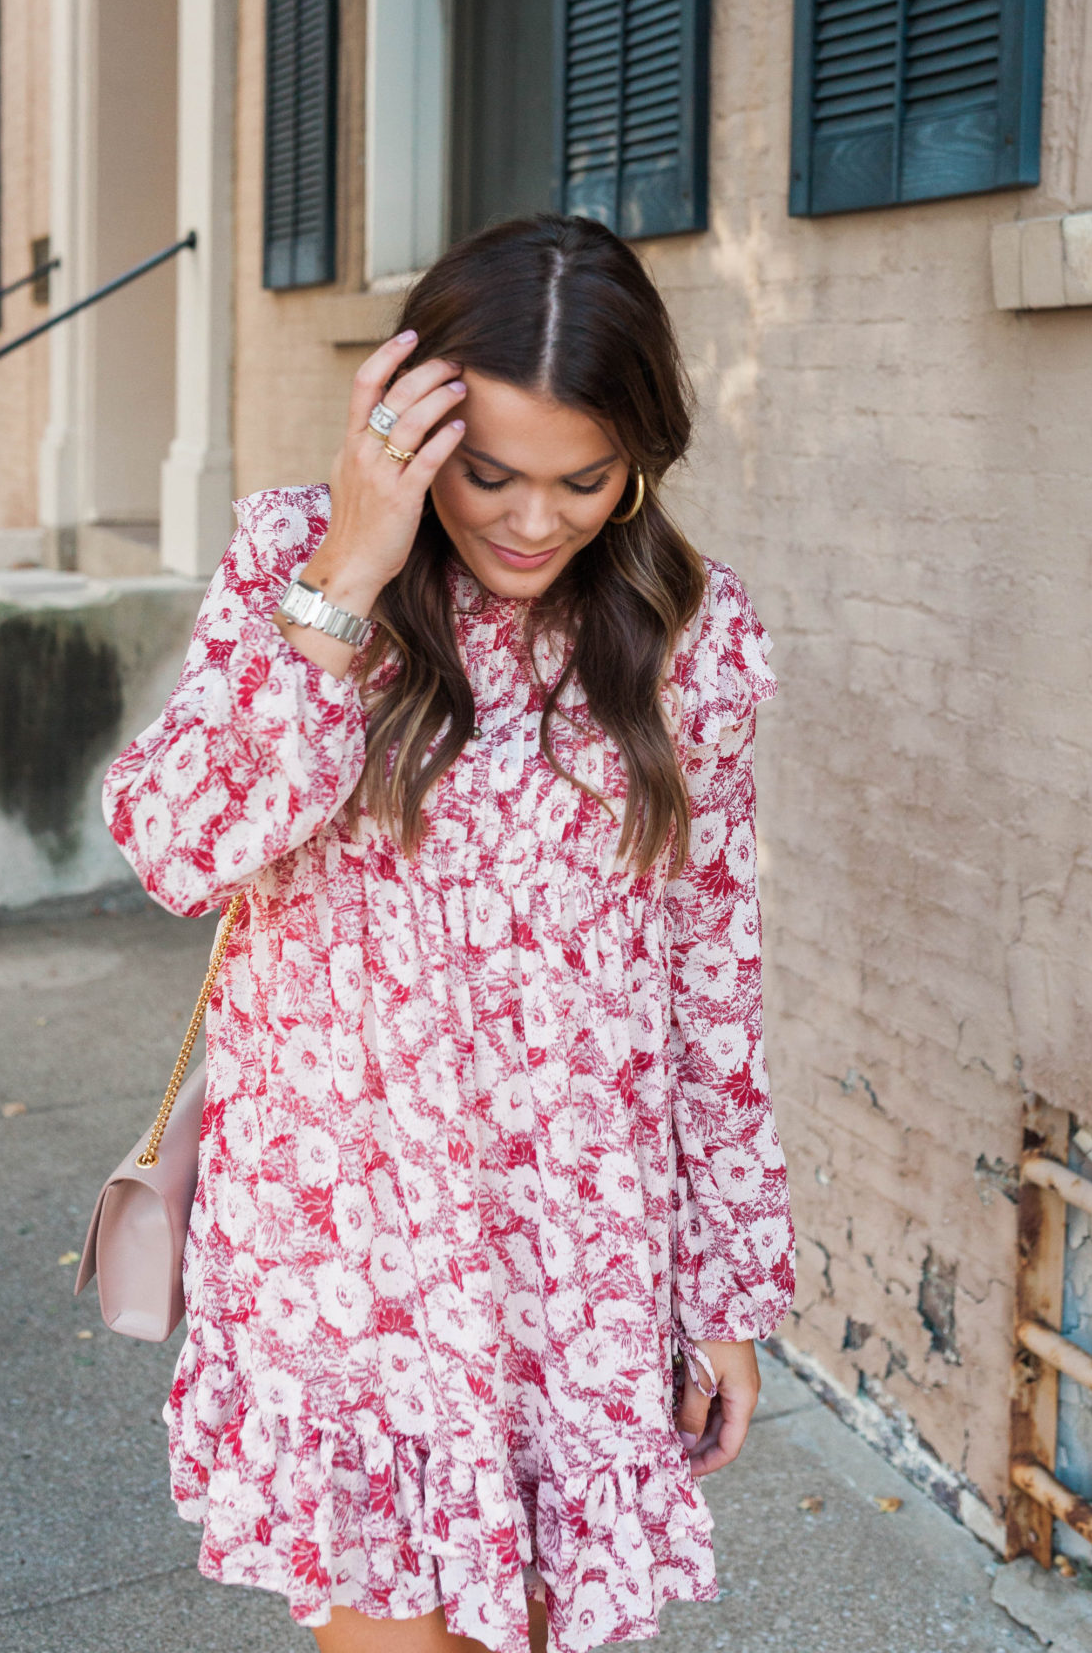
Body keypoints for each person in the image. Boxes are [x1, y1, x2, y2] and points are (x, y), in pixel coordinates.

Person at [103, 214, 794, 1653]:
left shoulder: (690, 633)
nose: (533, 521)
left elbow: (710, 988)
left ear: (639, 461)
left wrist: (722, 1292)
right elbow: (174, 846)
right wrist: (348, 576)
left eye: (581, 479)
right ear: (409, 431)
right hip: (351, 1247)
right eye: (489, 473)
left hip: (582, 1255)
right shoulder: (295, 562)